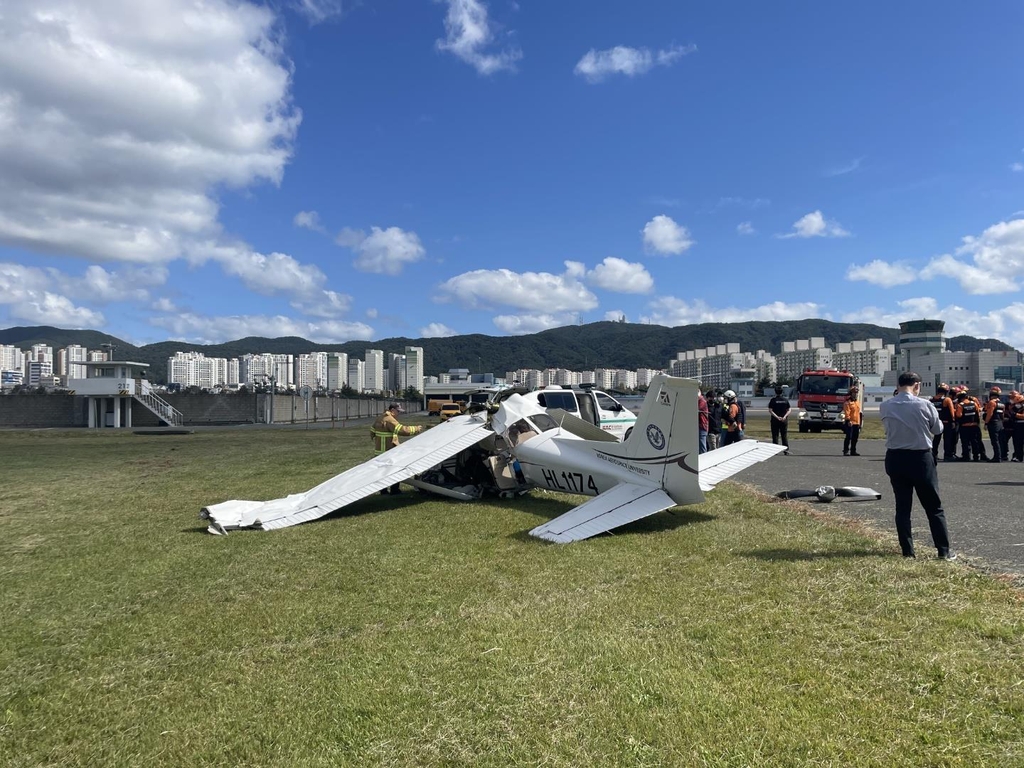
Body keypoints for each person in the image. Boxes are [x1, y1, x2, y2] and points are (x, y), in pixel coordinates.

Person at [879, 371, 955, 560]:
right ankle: (943, 551)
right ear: (917, 385)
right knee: (933, 507)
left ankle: (908, 551)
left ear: (898, 385)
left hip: (895, 457)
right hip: (920, 457)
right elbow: (937, 429)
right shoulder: (924, 404)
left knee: (903, 507)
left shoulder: (885, 405)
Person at [370, 402, 424, 494]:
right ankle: (395, 490)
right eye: (398, 411)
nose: (399, 413)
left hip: (379, 452)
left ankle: (383, 491)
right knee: (396, 470)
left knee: (382, 473)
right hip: (390, 451)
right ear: (392, 410)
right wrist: (416, 429)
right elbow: (402, 430)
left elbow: (372, 431)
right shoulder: (390, 419)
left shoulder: (380, 418)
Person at [954, 387, 986, 461]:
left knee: (965, 442)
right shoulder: (974, 403)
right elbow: (978, 414)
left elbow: (959, 415)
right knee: (974, 441)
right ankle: (976, 456)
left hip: (964, 426)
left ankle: (966, 456)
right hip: (974, 426)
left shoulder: (960, 405)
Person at [929, 383, 957, 462]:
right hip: (946, 422)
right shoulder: (947, 400)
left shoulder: (932, 400)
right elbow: (952, 412)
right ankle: (947, 455)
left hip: (936, 422)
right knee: (947, 439)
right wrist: (953, 421)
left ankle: (934, 454)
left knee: (936, 439)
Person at [767, 384, 791, 455]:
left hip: (775, 420)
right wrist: (784, 417)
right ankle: (786, 449)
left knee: (775, 435)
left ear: (775, 392)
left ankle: (775, 450)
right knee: (784, 435)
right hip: (784, 420)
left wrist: (777, 417)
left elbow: (770, 410)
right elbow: (789, 409)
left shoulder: (773, 400)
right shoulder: (785, 400)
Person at [983, 387, 1005, 463]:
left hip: (993, 423)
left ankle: (997, 457)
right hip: (1000, 423)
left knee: (995, 441)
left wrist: (986, 423)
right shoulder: (1002, 403)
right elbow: (1003, 415)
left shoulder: (992, 402)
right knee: (999, 440)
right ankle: (1000, 456)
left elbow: (990, 413)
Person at [842, 387, 862, 456]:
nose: (855, 394)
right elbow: (847, 412)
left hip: (856, 422)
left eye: (856, 393)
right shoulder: (848, 402)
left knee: (855, 438)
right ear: (851, 393)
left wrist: (859, 423)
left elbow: (859, 413)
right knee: (848, 437)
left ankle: (853, 450)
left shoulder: (857, 402)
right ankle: (846, 450)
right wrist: (848, 420)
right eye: (854, 393)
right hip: (850, 422)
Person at [1009, 390, 1024, 463]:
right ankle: (1019, 457)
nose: (1016, 404)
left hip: (1022, 425)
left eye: (1018, 403)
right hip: (1017, 426)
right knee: (1018, 443)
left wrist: (1016, 415)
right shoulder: (1015, 408)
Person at [697, 388, 709, 454]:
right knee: (699, 445)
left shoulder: (702, 401)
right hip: (699, 426)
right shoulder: (699, 400)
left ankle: (704, 458)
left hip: (702, 426)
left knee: (702, 446)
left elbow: (697, 409)